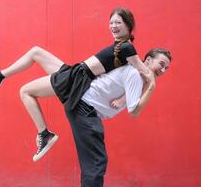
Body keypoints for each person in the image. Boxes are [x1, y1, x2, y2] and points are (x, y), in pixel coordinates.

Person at [0, 7, 150, 162]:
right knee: (36, 52)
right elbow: (131, 76)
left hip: (76, 79)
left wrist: (149, 83)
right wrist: (123, 97)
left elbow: (144, 74)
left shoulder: (127, 48)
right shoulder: (121, 47)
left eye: (118, 22)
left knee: (25, 91)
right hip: (75, 72)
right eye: (111, 22)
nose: (113, 26)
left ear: (129, 26)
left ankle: (44, 134)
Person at [66, 48, 172, 186]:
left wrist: (140, 88)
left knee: (94, 162)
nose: (163, 70)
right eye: (161, 64)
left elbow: (133, 95)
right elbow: (134, 111)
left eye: (166, 68)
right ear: (149, 60)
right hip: (85, 108)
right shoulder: (135, 74)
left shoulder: (137, 75)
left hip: (87, 110)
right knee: (96, 163)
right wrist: (152, 85)